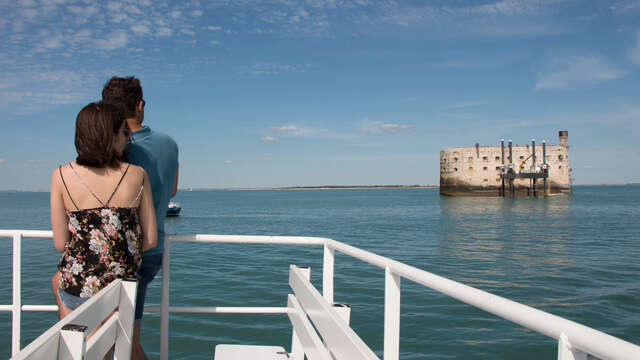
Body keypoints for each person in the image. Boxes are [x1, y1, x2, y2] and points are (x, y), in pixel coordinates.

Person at [50, 101, 157, 319]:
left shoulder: (60, 175)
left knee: (59, 284)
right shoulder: (138, 175)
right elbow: (150, 240)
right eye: (124, 132)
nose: (128, 138)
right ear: (113, 135)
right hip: (121, 291)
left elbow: (60, 243)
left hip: (78, 288)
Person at [102, 76, 179, 360]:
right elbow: (170, 190)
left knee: (116, 340)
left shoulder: (114, 146)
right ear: (140, 105)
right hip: (153, 251)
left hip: (119, 253)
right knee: (124, 338)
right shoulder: (169, 144)